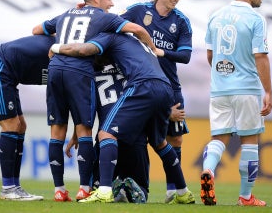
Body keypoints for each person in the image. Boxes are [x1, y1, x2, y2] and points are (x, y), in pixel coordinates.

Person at [32, 0, 155, 202]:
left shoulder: (65, 14)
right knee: (84, 131)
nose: (111, 3)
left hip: (55, 69)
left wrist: (59, 43)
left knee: (56, 132)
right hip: (79, 72)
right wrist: (154, 51)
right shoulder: (102, 17)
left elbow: (37, 30)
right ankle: (83, 188)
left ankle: (59, 189)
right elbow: (136, 29)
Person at [49, 32, 195, 204]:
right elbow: (144, 100)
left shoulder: (91, 75)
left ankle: (106, 189)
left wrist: (76, 135)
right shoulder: (131, 61)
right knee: (160, 143)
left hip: (109, 147)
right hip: (140, 136)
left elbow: (87, 113)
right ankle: (182, 191)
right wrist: (167, 112)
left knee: (105, 135)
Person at [200, 0, 272, 206]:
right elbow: (260, 56)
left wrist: (224, 75)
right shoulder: (255, 18)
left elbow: (210, 55)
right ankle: (245, 196)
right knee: (250, 141)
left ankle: (209, 171)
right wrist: (268, 92)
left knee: (218, 138)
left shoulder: (215, 16)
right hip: (247, 88)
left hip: (219, 89)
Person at [120, 0, 192, 202]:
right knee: (140, 140)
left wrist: (161, 51)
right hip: (139, 86)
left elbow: (185, 56)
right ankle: (139, 187)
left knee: (176, 139)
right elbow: (114, 25)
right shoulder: (138, 11)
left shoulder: (180, 21)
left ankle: (173, 189)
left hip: (170, 88)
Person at [0, 34, 55, 201]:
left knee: (20, 126)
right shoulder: (65, 48)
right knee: (11, 125)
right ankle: (8, 188)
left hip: (8, 75)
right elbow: (39, 29)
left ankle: (15, 187)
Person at [66, 55, 149, 203]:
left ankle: (109, 187)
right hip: (135, 140)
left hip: (107, 143)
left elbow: (86, 117)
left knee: (95, 188)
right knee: (141, 189)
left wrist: (75, 134)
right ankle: (132, 188)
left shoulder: (92, 76)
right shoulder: (132, 73)